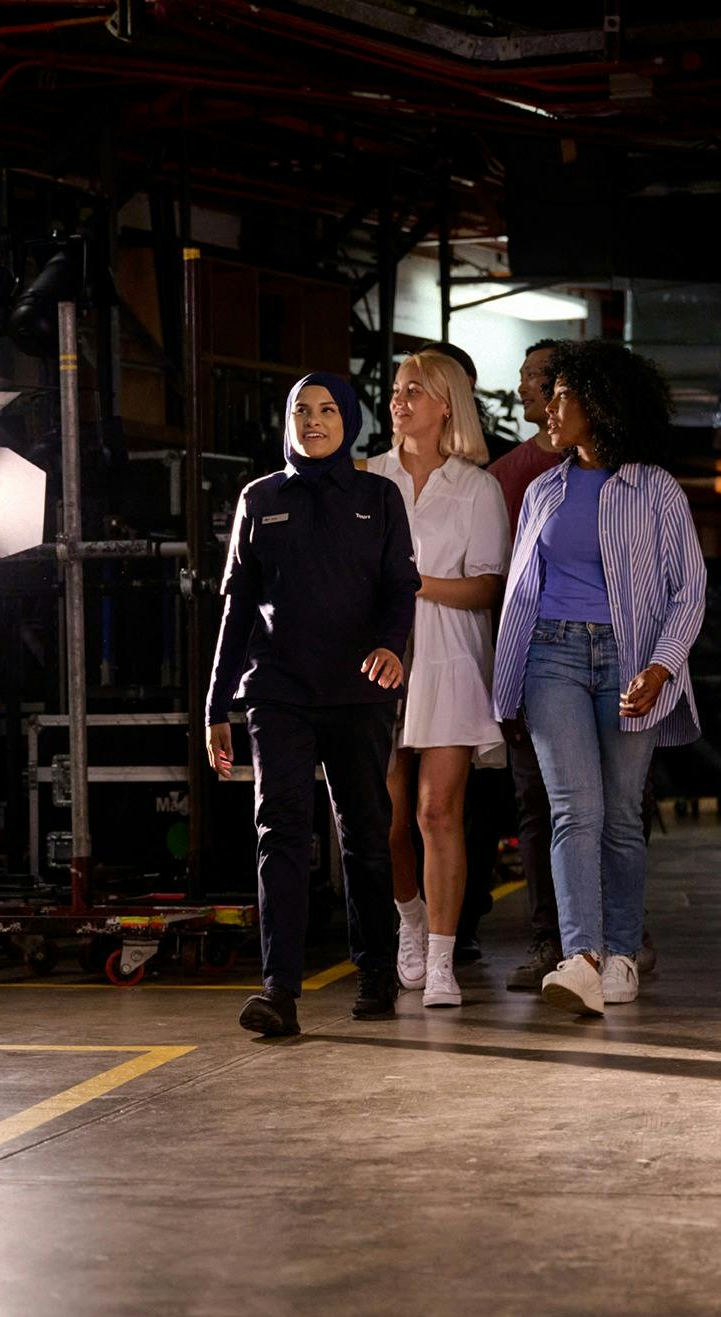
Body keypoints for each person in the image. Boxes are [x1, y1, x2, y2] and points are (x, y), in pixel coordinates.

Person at [492, 339, 706, 1017]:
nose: (547, 408)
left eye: (561, 395)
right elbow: (520, 593)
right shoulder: (541, 491)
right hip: (548, 657)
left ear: (599, 403)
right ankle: (580, 958)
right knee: (570, 810)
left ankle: (619, 954)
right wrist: (506, 679)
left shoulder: (655, 489)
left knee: (618, 817)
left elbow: (688, 590)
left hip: (630, 659)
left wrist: (660, 664)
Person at [207, 372, 421, 1037]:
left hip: (359, 692)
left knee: (364, 834)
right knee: (280, 833)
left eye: (327, 409)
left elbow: (399, 589)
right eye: (301, 410)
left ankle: (377, 974)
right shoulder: (259, 497)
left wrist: (391, 646)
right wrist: (216, 702)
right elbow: (236, 607)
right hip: (278, 693)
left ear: (349, 420)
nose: (314, 420)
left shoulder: (378, 497)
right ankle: (279, 992)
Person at [367, 350, 510, 1008]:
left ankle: (444, 959)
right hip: (379, 661)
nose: (400, 400)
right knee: (391, 819)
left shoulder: (476, 487)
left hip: (450, 658)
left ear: (446, 402)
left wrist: (412, 582)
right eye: (396, 390)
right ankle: (410, 923)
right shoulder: (368, 478)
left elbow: (485, 586)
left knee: (436, 812)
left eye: (415, 389)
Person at [486, 340, 568, 990]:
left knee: (611, 807)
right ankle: (550, 941)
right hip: (534, 658)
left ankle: (616, 937)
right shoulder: (509, 474)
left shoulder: (622, 470)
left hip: (604, 663)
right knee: (536, 805)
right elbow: (500, 587)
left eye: (531, 378)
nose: (522, 391)